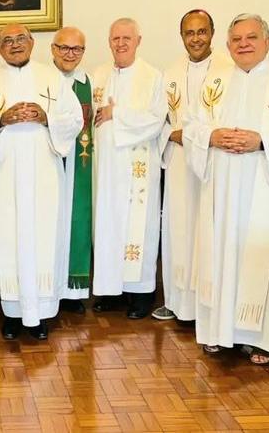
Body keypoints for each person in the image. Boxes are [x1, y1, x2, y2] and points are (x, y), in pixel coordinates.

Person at [184, 13, 269, 364]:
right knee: (220, 251)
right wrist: (211, 136)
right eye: (237, 39)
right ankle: (218, 332)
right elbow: (191, 125)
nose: (244, 44)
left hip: (265, 185)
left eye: (251, 37)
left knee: (259, 255)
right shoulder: (215, 80)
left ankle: (264, 341)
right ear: (227, 46)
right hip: (222, 187)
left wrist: (263, 141)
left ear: (267, 42)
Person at [0, 24, 82, 340]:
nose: (15, 45)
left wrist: (46, 117)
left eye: (20, 39)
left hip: (44, 172)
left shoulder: (53, 79)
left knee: (44, 235)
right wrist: (0, 120)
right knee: (9, 238)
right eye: (7, 41)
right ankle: (13, 313)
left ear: (32, 43)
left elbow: (75, 120)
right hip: (5, 172)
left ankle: (44, 312)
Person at [153, 9, 232, 323]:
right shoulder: (169, 73)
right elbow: (157, 119)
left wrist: (201, 138)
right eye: (189, 32)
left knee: (208, 230)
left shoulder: (230, 71)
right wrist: (174, 134)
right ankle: (176, 301)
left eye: (202, 31)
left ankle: (207, 305)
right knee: (178, 228)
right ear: (181, 36)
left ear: (212, 33)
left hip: (214, 163)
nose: (196, 38)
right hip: (178, 163)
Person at [91, 18, 167, 319]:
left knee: (138, 228)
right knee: (107, 225)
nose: (120, 43)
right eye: (115, 38)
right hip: (105, 167)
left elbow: (156, 118)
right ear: (108, 42)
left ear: (138, 40)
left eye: (126, 38)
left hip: (137, 167)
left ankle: (140, 292)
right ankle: (110, 289)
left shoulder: (152, 76)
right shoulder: (98, 74)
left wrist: (116, 113)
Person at [50, 27, 94, 315]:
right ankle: (50, 287)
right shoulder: (43, 80)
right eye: (64, 48)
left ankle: (73, 290)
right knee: (51, 224)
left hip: (80, 163)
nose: (69, 54)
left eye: (76, 49)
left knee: (76, 219)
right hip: (50, 163)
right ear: (52, 49)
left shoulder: (88, 82)